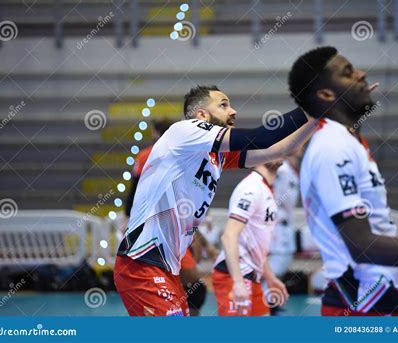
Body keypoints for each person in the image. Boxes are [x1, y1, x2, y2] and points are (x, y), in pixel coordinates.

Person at [289, 46, 398, 316]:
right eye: (348, 73)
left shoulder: (352, 143)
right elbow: (363, 246)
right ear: (326, 94)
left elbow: (379, 237)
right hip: (363, 306)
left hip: (388, 295)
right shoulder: (332, 148)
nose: (362, 74)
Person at [114, 85, 314, 316]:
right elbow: (260, 136)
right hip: (140, 261)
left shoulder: (215, 155)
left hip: (168, 266)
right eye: (223, 105)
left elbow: (280, 149)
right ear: (201, 115)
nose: (233, 111)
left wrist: (320, 116)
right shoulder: (184, 131)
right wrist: (313, 105)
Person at [123, 118, 217, 316]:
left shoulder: (151, 155)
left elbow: (134, 194)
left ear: (156, 132)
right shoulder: (181, 155)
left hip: (170, 228)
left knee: (190, 287)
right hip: (159, 230)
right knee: (192, 286)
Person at [212, 160, 288, 316]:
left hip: (254, 277)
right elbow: (229, 236)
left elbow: (254, 243)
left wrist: (270, 277)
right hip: (234, 275)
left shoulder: (266, 188)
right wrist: (238, 282)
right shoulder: (251, 188)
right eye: (271, 145)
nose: (279, 149)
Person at [265, 146, 304, 315]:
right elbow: (274, 195)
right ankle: (265, 300)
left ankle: (271, 299)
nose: (302, 147)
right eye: (299, 145)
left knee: (284, 259)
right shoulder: (282, 169)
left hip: (286, 223)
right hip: (277, 223)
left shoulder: (293, 170)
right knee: (277, 262)